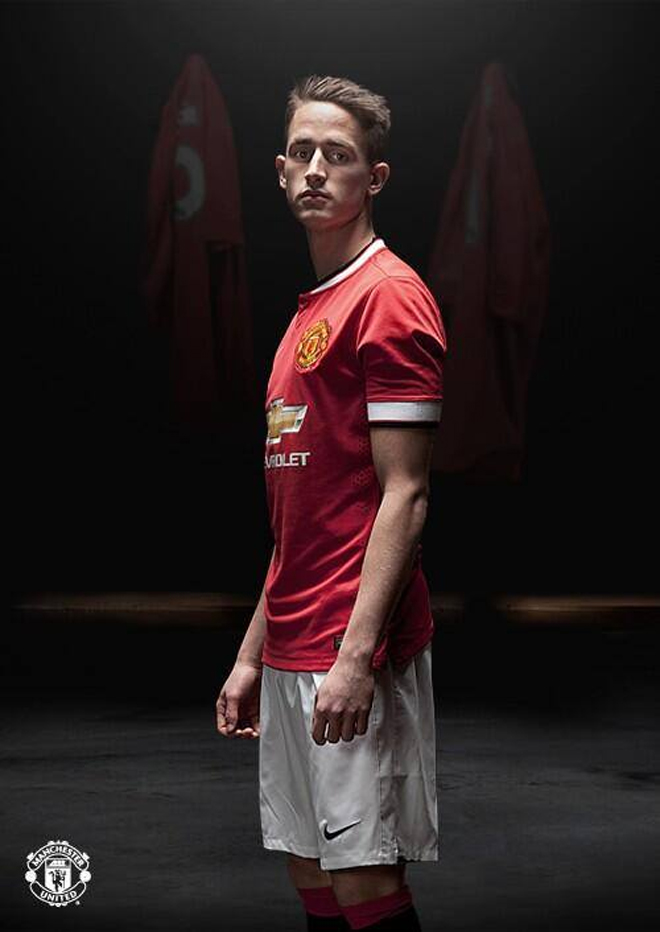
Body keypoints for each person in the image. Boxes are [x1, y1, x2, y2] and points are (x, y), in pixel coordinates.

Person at [216, 74, 446, 931]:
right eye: (302, 152)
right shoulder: (309, 312)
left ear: (373, 178)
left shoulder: (388, 297)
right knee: (311, 869)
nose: (316, 169)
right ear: (280, 170)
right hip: (292, 645)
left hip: (352, 649)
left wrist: (355, 659)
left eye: (338, 155)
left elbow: (406, 496)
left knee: (364, 884)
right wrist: (254, 653)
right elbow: (300, 523)